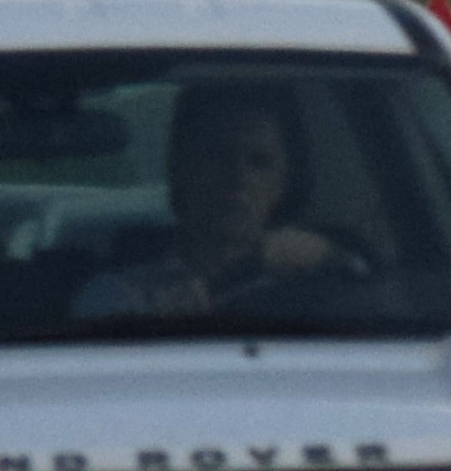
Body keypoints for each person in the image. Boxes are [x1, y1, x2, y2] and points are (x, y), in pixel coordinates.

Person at [72, 82, 364, 321]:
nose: (238, 177)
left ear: (284, 183)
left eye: (259, 162)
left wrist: (335, 259)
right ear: (181, 170)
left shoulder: (326, 281)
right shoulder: (119, 295)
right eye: (217, 156)